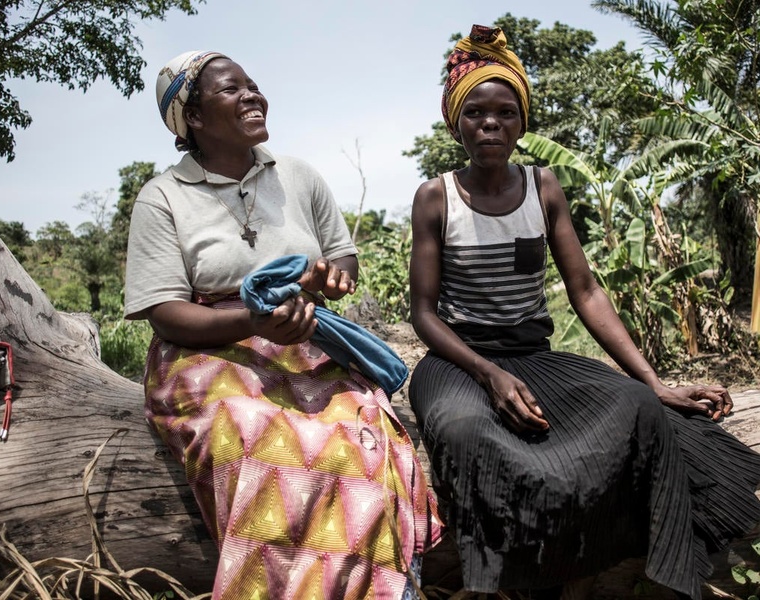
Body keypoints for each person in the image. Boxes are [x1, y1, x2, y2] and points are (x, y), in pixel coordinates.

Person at [408, 25, 760, 600]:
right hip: (458, 360)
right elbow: (424, 313)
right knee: (463, 431)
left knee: (640, 410)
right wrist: (488, 373)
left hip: (534, 357)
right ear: (456, 122)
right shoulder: (435, 196)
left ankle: (620, 569)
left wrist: (653, 380)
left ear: (522, 123)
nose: (490, 124)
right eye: (475, 112)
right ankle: (499, 582)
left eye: (504, 112)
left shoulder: (542, 187)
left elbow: (586, 292)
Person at [125, 50, 441, 600]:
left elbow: (343, 261)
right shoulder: (163, 197)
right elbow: (165, 312)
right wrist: (255, 321)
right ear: (193, 118)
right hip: (207, 352)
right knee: (251, 435)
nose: (252, 94)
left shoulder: (297, 176)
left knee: (357, 442)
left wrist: (326, 281)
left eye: (252, 84)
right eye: (231, 89)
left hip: (304, 337)